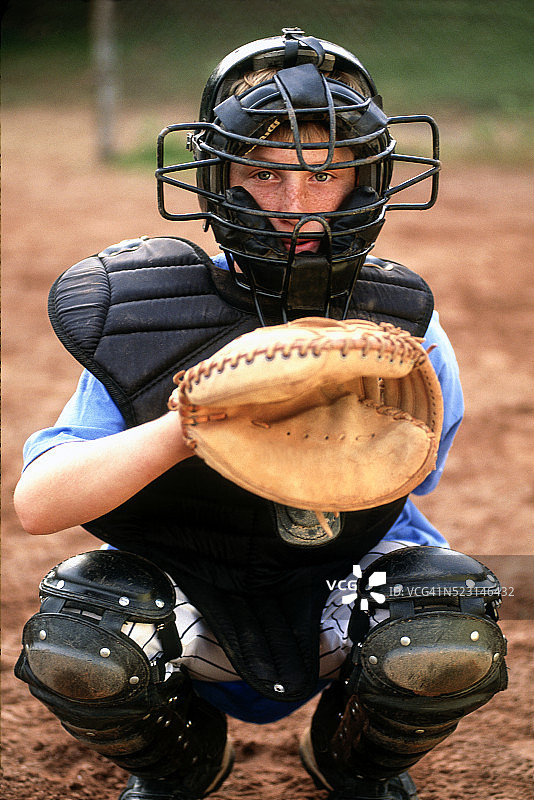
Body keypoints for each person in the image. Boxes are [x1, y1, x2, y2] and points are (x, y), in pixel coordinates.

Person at [14, 28, 507, 800]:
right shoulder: (150, 320)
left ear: (371, 180)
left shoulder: (400, 330)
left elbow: (414, 482)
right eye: (264, 174)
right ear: (217, 180)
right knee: (84, 632)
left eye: (328, 176)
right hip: (189, 595)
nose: (295, 207)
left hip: (338, 592)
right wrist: (187, 426)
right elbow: (40, 505)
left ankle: (354, 760)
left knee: (442, 621)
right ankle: (181, 764)